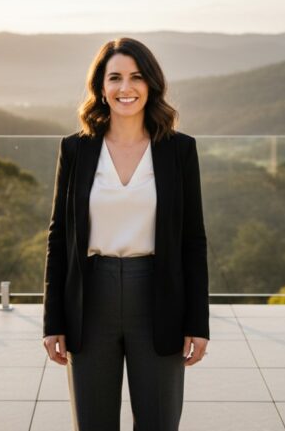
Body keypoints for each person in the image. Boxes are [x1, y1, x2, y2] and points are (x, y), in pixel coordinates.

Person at [42, 37, 210, 431]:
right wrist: (53, 320)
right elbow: (59, 236)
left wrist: (197, 323)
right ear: (100, 87)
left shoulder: (178, 151)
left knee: (159, 422)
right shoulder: (76, 150)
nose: (125, 88)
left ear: (151, 84)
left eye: (136, 77)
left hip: (158, 298)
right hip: (90, 298)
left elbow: (193, 240)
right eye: (114, 78)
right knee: (93, 423)